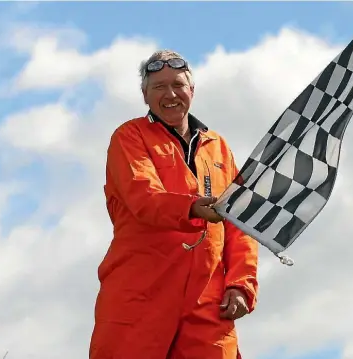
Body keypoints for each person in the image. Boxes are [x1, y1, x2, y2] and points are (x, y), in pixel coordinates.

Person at [89, 49, 259, 359]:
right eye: (159, 87)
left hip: (207, 303)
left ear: (191, 91)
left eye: (178, 85)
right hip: (139, 296)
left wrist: (240, 284)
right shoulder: (129, 137)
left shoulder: (218, 146)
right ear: (145, 96)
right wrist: (191, 208)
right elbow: (143, 195)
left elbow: (240, 222)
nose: (170, 94)